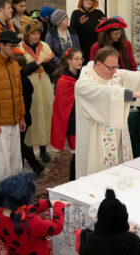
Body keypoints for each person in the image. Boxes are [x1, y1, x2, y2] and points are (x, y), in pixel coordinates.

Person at [74, 46, 140, 178]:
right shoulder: (83, 83)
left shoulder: (114, 73)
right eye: (111, 68)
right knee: (98, 175)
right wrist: (129, 95)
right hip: (96, 137)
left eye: (117, 66)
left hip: (118, 133)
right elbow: (104, 94)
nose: (115, 71)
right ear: (98, 64)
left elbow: (139, 76)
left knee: (118, 174)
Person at [0, 30, 26, 186]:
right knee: (0, 161)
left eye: (15, 45)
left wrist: (21, 117)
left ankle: (14, 192)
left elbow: (19, 92)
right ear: (1, 45)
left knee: (14, 159)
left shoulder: (14, 64)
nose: (13, 49)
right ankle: (1, 194)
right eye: (11, 46)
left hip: (14, 119)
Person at [19, 16, 55, 164]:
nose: (36, 36)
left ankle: (43, 149)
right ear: (27, 34)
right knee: (32, 117)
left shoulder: (45, 46)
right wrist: (39, 62)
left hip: (45, 86)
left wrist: (46, 63)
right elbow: (21, 72)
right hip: (29, 88)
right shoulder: (19, 49)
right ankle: (27, 150)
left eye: (38, 33)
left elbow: (52, 69)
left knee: (46, 115)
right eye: (33, 33)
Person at [50, 48, 83, 181]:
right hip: (72, 122)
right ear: (69, 60)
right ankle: (73, 180)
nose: (80, 61)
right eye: (76, 59)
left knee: (84, 154)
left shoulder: (83, 76)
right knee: (77, 154)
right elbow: (61, 106)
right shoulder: (63, 80)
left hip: (83, 118)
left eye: (81, 59)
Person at [14, 53, 44, 177]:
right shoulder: (19, 79)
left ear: (20, 67)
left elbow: (24, 103)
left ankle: (34, 165)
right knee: (20, 144)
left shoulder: (23, 82)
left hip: (23, 117)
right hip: (20, 117)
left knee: (20, 145)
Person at [70, 0, 105, 65]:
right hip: (81, 48)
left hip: (96, 47)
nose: (89, 2)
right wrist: (79, 23)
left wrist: (103, 24)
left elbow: (105, 30)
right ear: (82, 1)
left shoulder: (99, 13)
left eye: (91, 0)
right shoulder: (76, 13)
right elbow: (72, 31)